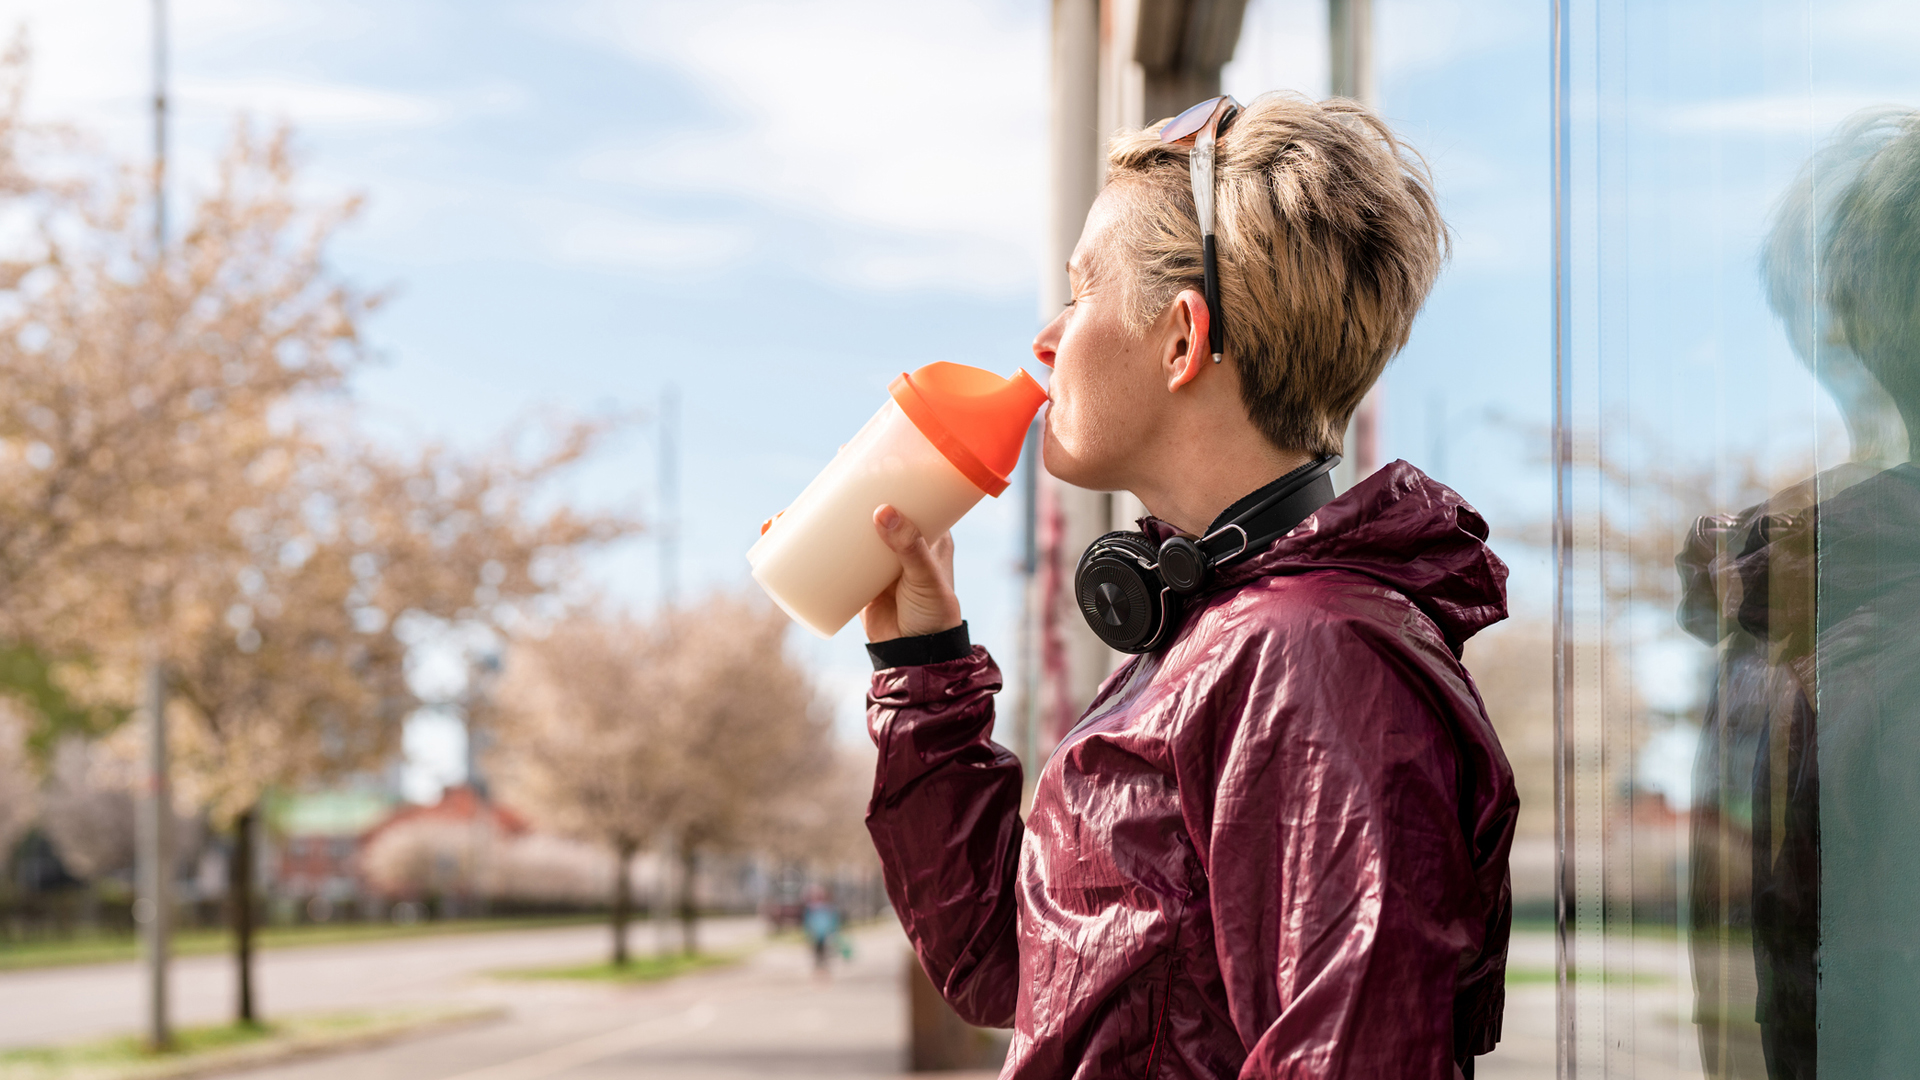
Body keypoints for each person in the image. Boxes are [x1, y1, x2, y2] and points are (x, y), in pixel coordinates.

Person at [860, 93, 1518, 1079]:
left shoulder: (1310, 655)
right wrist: (925, 670)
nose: (1047, 336)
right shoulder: (1218, 630)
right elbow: (1013, 966)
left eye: (1082, 292)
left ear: (1181, 339)